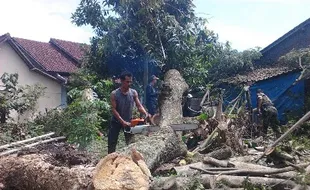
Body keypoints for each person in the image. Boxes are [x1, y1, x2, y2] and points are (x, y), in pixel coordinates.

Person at [108, 71, 150, 153]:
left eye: (130, 81)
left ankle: (130, 159)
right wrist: (122, 121)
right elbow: (113, 109)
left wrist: (145, 113)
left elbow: (139, 105)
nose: (129, 83)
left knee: (130, 142)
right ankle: (110, 159)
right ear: (122, 81)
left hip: (129, 121)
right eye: (127, 82)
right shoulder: (114, 94)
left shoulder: (133, 92)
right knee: (112, 142)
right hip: (116, 121)